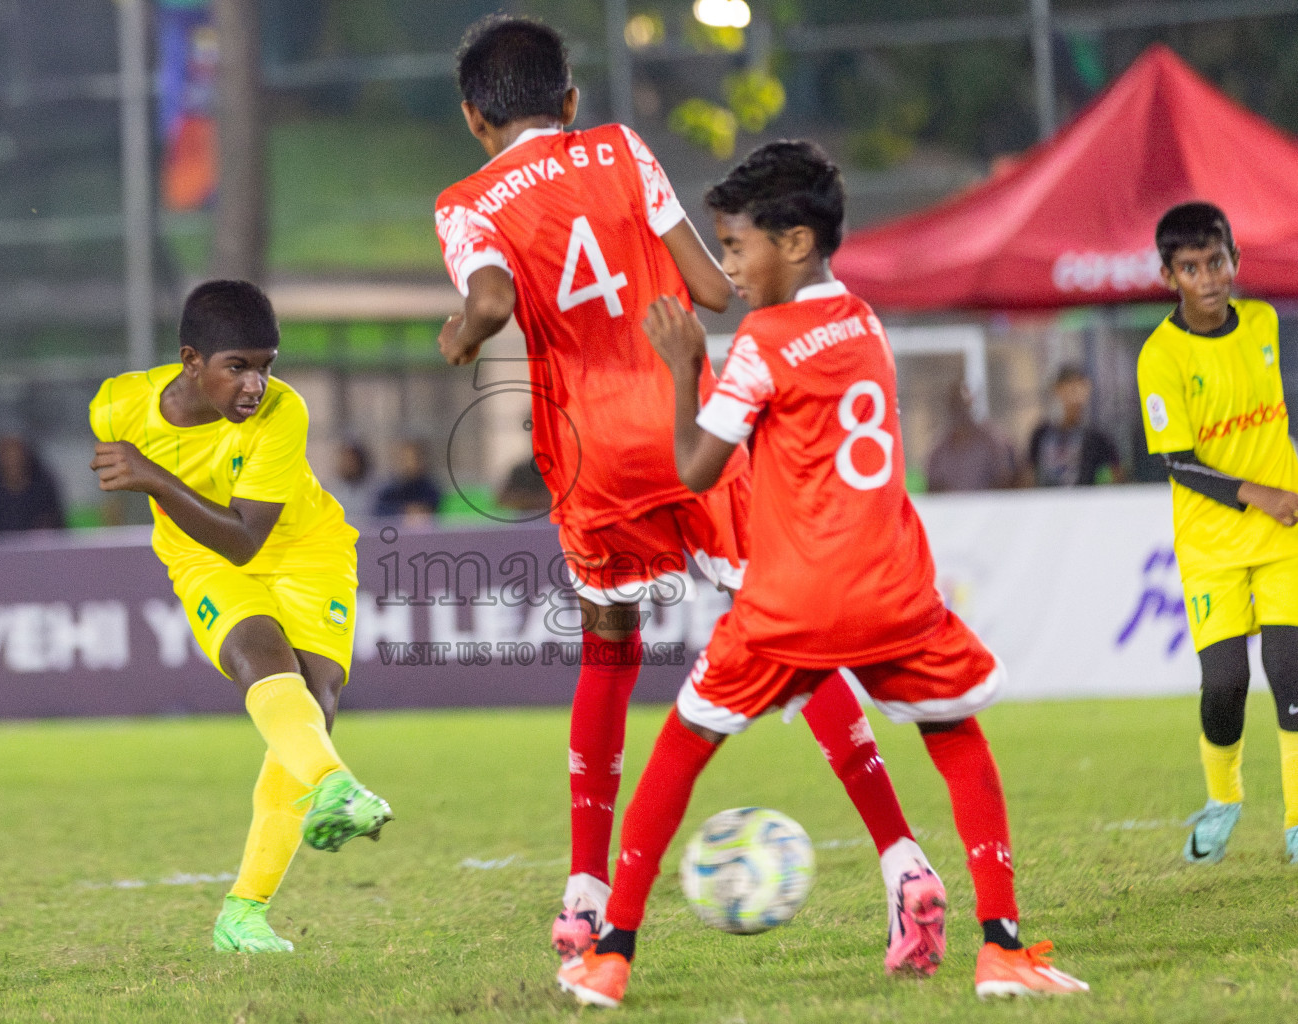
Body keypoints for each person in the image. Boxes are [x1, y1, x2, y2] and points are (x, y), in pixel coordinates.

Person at [436, 16, 933, 977]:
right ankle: (902, 863)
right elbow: (710, 288)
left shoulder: (466, 201)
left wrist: (462, 331)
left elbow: (491, 303)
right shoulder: (620, 147)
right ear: (570, 103)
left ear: (473, 118)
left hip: (589, 460)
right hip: (686, 425)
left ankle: (585, 901)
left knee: (609, 653)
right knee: (785, 635)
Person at [558, 140, 1089, 1008]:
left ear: (796, 242)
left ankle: (611, 951)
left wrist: (688, 365)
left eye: (735, 246)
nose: (727, 265)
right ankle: (1003, 948)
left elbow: (696, 469)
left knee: (683, 747)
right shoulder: (866, 323)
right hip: (894, 592)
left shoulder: (764, 342)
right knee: (956, 739)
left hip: (791, 602)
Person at [89, 279, 392, 953]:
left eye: (266, 365)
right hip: (203, 560)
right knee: (259, 656)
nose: (256, 384)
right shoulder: (118, 405)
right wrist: (141, 476)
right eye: (238, 367)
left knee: (317, 699)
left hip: (305, 549)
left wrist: (154, 478)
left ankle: (243, 914)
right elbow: (128, 474)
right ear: (191, 361)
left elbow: (247, 536)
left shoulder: (282, 413)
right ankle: (335, 788)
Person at [1137, 202, 1298, 866]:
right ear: (1169, 274)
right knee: (1226, 683)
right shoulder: (1160, 357)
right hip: (1212, 548)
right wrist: (1255, 492)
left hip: (1285, 535)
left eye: (1217, 262)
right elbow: (1175, 461)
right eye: (1191, 267)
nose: (1208, 278)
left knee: (1291, 673)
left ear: (1236, 259)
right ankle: (1224, 798)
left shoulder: (1263, 323)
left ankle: (1297, 824)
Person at [1026, 365, 1121, 487]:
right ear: (1057, 390)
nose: (1075, 397)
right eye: (1070, 388)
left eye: (1080, 389)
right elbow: (1029, 474)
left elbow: (1116, 474)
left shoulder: (1098, 438)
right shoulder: (1041, 434)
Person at [926, 380, 1019, 492]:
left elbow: (1007, 479)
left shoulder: (992, 442)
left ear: (971, 404)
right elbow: (932, 486)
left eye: (963, 404)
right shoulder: (939, 449)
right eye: (955, 405)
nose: (960, 411)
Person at [0, 435, 65, 533]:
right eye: (7, 453)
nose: (13, 458)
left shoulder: (44, 489)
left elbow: (57, 523)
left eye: (16, 452)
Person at [372, 439, 442, 522]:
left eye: (412, 458)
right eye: (404, 458)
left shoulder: (431, 490)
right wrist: (403, 511)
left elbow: (441, 513)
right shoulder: (389, 491)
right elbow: (379, 513)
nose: (408, 463)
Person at [326, 438, 376, 522]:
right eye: (345, 459)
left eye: (352, 460)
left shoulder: (375, 491)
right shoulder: (332, 491)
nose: (348, 464)